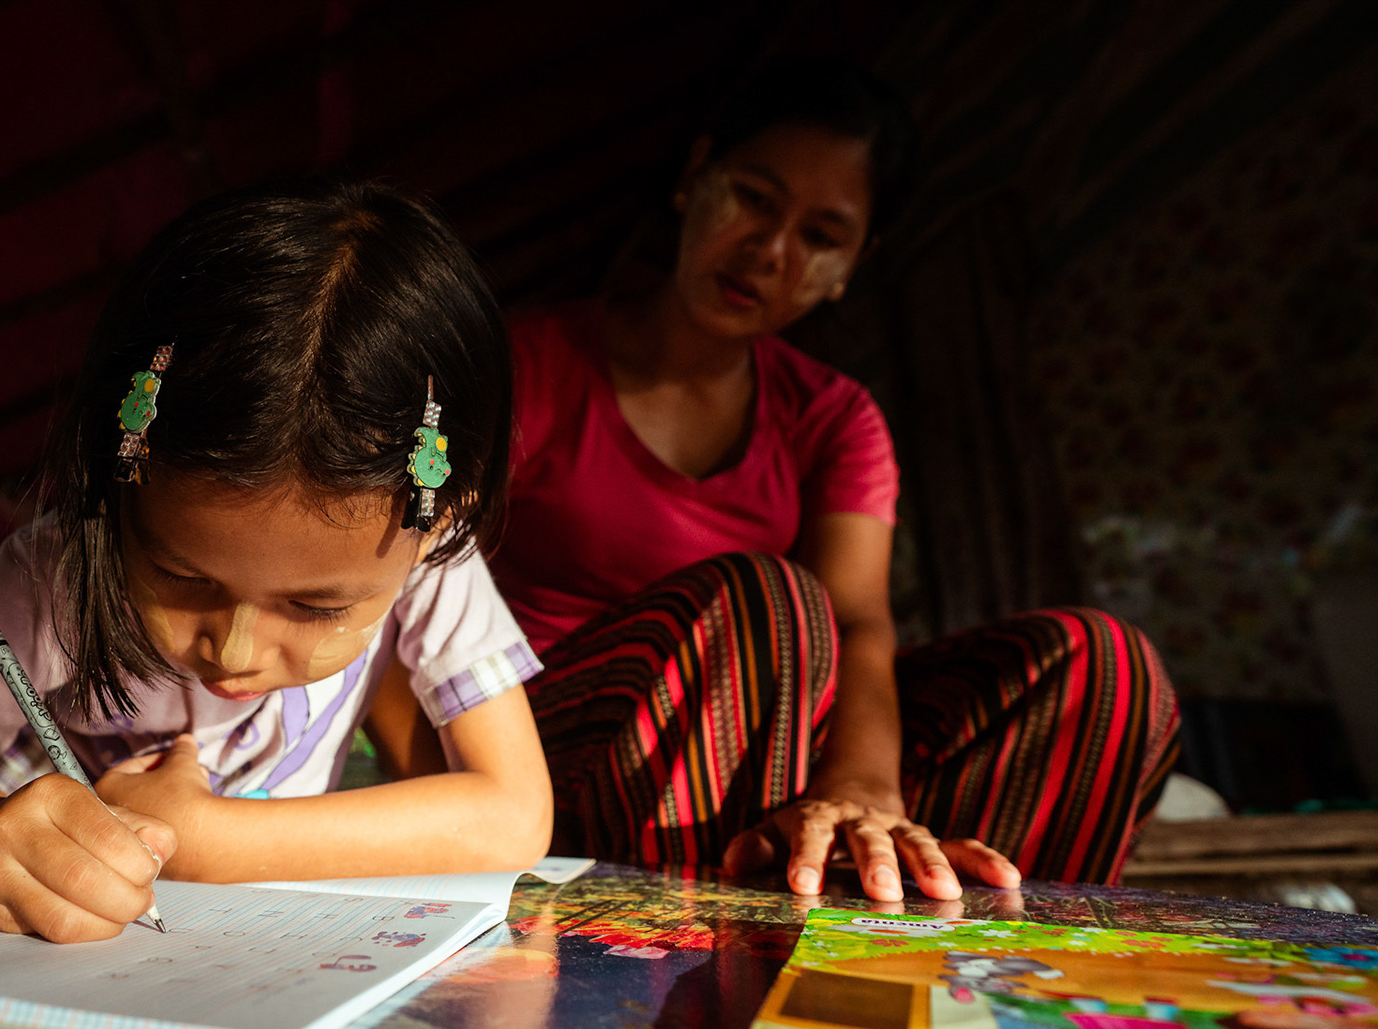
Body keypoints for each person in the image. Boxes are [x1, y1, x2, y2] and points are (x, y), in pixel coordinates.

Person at [0, 178, 553, 942]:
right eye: (180, 575)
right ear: (119, 482)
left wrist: (202, 837)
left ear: (448, 511)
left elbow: (514, 815)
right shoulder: (54, 575)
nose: (232, 650)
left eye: (315, 607)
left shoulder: (425, 550)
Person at [485, 62, 1180, 900]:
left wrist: (861, 788)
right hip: (556, 756)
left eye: (821, 236)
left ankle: (969, 956)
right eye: (752, 197)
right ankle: (687, 962)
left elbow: (860, 620)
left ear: (854, 262)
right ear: (693, 175)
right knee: (763, 602)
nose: (770, 253)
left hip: (772, 768)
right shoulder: (520, 367)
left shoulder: (833, 417)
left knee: (1102, 668)